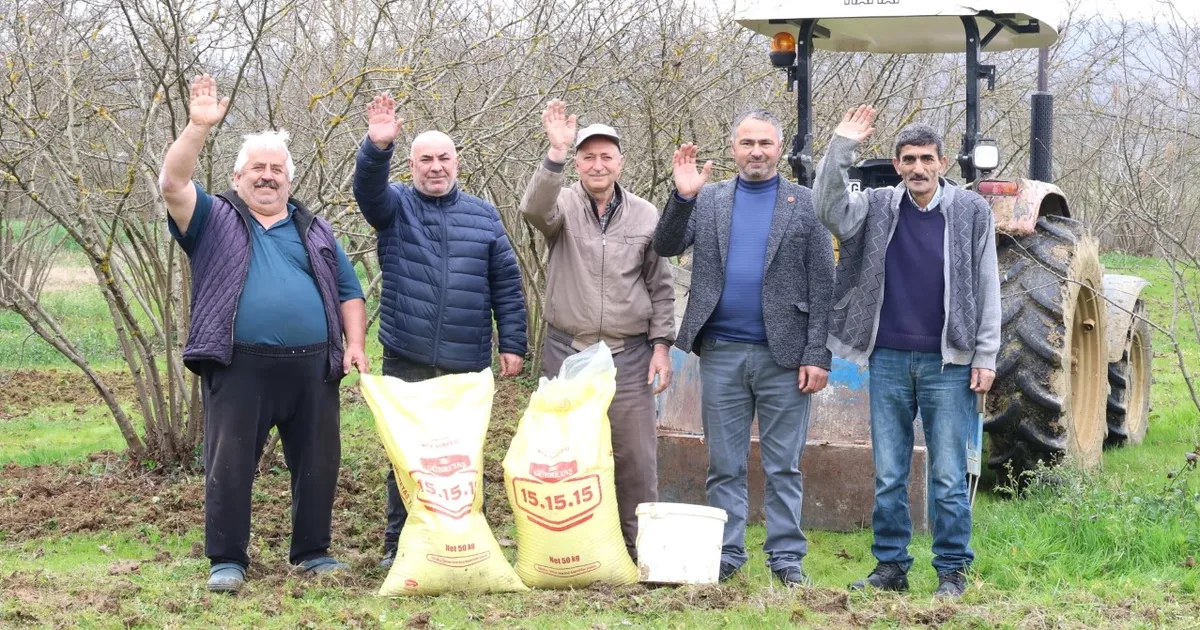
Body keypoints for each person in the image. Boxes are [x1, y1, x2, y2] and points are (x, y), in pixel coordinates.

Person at [159, 74, 368, 593]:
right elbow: (172, 184)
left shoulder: (314, 229)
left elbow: (349, 290)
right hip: (239, 363)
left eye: (277, 169)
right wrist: (197, 127)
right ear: (238, 175)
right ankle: (227, 560)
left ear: (289, 181)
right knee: (228, 464)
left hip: (314, 366)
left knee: (319, 463)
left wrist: (356, 345)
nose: (268, 176)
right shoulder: (214, 218)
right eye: (258, 168)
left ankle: (313, 553)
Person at [812, 105, 1001, 598]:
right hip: (889, 359)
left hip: (948, 363)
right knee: (890, 473)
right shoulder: (875, 205)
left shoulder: (971, 211)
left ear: (942, 163)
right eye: (909, 159)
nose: (918, 167)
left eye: (927, 158)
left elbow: (986, 285)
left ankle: (951, 571)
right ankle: (890, 568)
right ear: (896, 164)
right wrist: (840, 147)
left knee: (946, 474)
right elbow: (828, 209)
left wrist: (985, 355)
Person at [653, 109, 835, 586]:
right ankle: (727, 551)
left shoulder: (807, 202)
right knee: (724, 463)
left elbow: (823, 282)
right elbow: (666, 245)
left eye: (766, 144)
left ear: (780, 149)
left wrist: (818, 354)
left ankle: (786, 557)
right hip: (722, 353)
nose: (757, 152)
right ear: (733, 149)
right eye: (747, 143)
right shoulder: (708, 200)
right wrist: (681, 197)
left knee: (784, 465)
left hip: (786, 356)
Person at [353, 93, 528, 568]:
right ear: (411, 165)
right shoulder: (395, 208)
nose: (435, 167)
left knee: (462, 455)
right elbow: (367, 190)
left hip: (466, 357)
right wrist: (377, 145)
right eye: (425, 159)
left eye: (443, 158)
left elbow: (507, 284)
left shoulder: (484, 214)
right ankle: (397, 544)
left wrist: (512, 342)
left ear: (457, 163)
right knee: (406, 454)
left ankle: (464, 540)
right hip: (406, 352)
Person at [519, 100, 676, 561]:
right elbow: (532, 209)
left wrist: (661, 347)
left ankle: (639, 551)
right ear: (578, 162)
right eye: (587, 156)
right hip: (568, 352)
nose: (597, 164)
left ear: (620, 163)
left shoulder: (647, 214)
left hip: (628, 357)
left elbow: (661, 286)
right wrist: (554, 152)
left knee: (634, 458)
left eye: (606, 156)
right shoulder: (562, 203)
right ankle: (566, 548)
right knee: (563, 453)